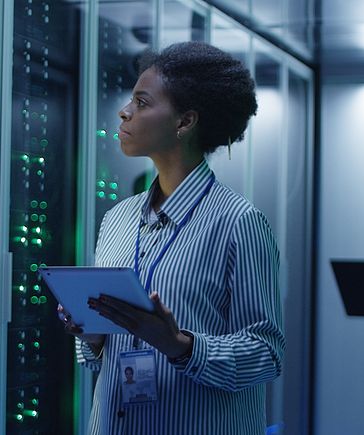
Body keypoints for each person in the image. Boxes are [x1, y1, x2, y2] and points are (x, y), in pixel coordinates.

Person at [58, 41, 284, 434]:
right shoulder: (117, 219)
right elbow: (97, 358)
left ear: (185, 122)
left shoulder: (239, 222)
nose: (125, 111)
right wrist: (92, 334)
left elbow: (266, 353)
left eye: (142, 103)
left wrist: (180, 345)